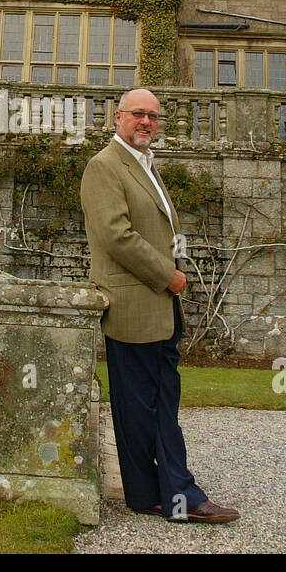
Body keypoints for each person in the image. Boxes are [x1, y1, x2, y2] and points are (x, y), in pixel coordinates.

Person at [79, 88, 240, 524]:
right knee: (146, 408)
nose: (146, 121)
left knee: (151, 405)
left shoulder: (145, 165)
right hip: (134, 307)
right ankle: (181, 497)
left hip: (158, 309)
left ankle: (145, 494)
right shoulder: (104, 166)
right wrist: (167, 275)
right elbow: (116, 236)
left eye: (152, 115)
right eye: (138, 114)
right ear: (118, 117)